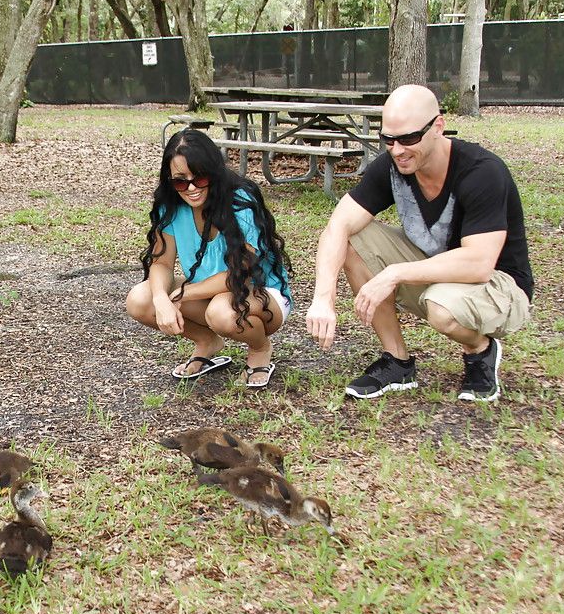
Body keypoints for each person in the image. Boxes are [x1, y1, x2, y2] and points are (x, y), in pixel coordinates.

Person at [305, 84, 533, 402]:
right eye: (389, 139)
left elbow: (479, 264)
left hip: (500, 286)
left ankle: (480, 350)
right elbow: (337, 227)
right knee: (353, 237)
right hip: (439, 272)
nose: (398, 149)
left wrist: (394, 273)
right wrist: (323, 298)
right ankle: (397, 362)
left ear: (437, 127)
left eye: (409, 138)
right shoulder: (392, 167)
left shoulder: (481, 172)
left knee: (441, 306)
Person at [126, 129, 293, 389]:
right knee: (141, 299)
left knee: (221, 312)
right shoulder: (170, 206)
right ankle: (207, 342)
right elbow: (162, 262)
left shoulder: (241, 202)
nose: (191, 188)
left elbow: (238, 274)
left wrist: (182, 294)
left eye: (199, 178)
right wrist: (161, 298)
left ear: (213, 173)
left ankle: (260, 348)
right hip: (208, 292)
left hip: (259, 293)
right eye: (181, 181)